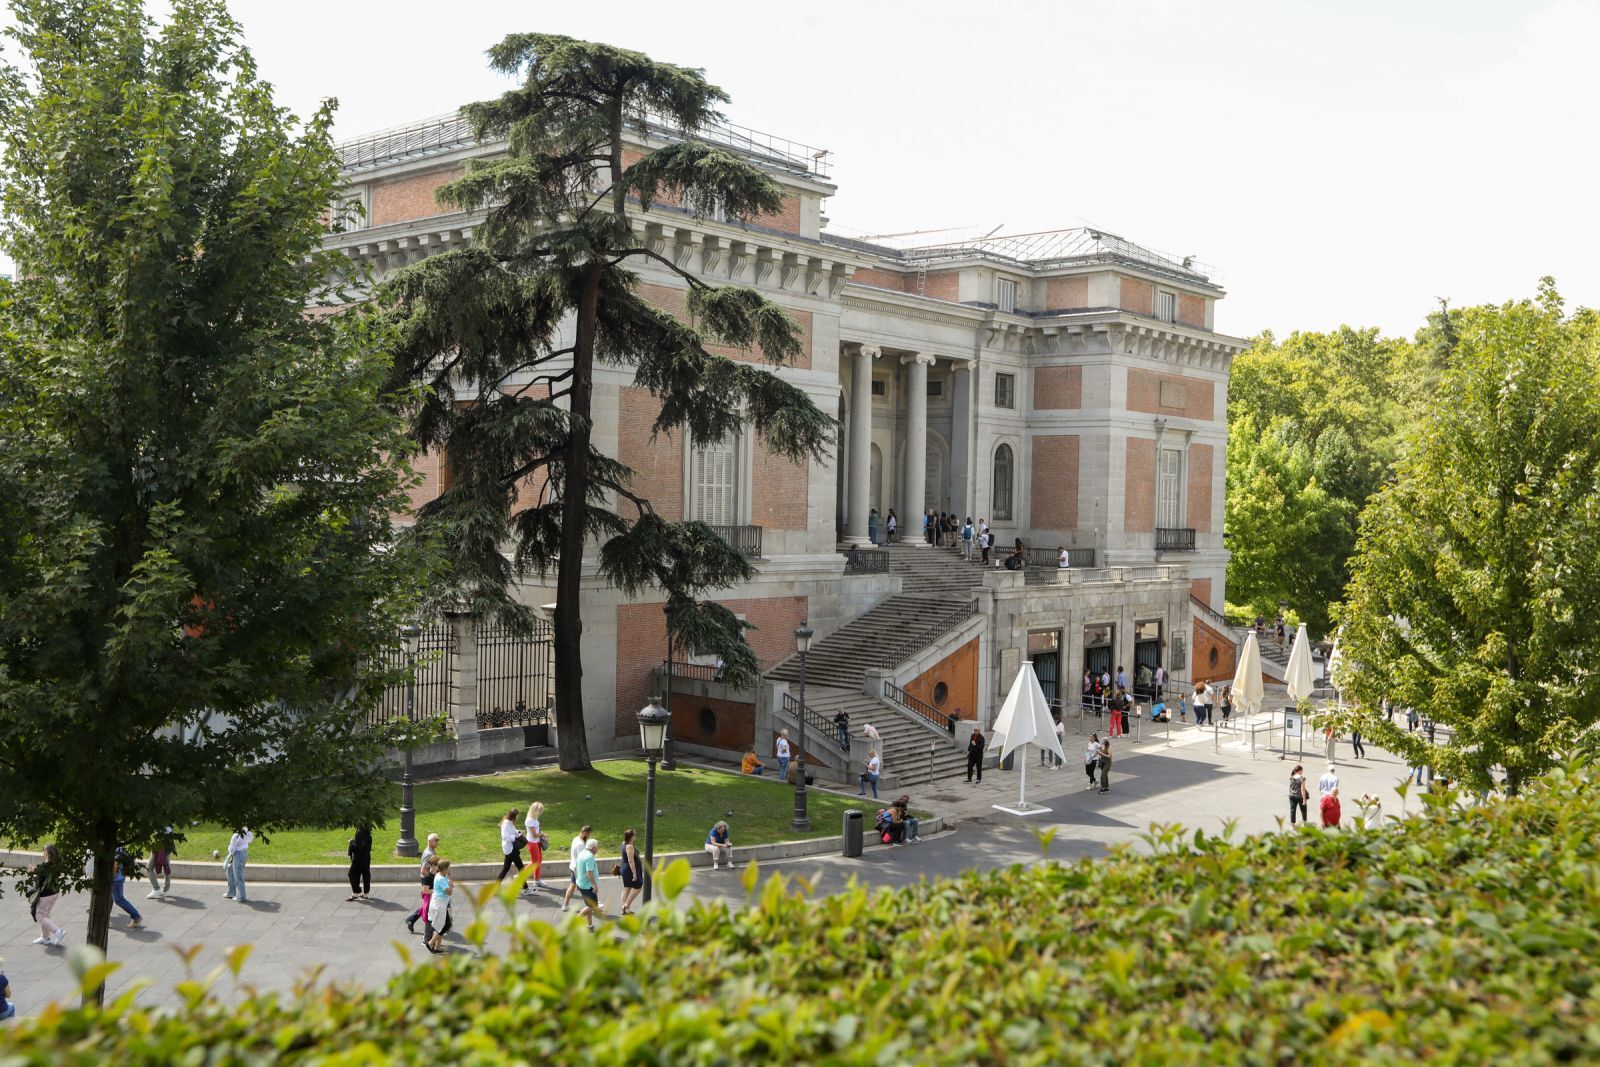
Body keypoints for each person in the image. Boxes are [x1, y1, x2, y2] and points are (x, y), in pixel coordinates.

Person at [28, 844, 65, 946]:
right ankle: (45, 938)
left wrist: (33, 870)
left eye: (44, 851)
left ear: (47, 853)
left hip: (46, 894)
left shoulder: (46, 865)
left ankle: (58, 931)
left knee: (39, 915)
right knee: (45, 915)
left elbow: (40, 876)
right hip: (54, 893)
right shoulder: (56, 864)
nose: (43, 853)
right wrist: (36, 869)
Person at [405, 833, 441, 932]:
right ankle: (413, 921)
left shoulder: (431, 851)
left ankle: (411, 920)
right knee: (428, 904)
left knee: (427, 903)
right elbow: (423, 870)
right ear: (429, 842)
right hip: (428, 881)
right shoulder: (429, 853)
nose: (438, 842)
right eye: (436, 840)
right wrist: (431, 880)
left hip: (429, 880)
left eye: (438, 840)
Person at [560, 825, 593, 911]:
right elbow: (581, 860)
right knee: (585, 887)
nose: (589, 837)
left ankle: (565, 905)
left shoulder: (576, 839)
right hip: (577, 869)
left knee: (572, 886)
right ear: (585, 833)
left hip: (573, 866)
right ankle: (590, 906)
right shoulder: (580, 844)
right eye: (588, 835)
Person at [425, 859, 453, 954]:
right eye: (449, 867)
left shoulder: (439, 875)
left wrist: (449, 881)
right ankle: (430, 943)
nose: (450, 869)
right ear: (445, 869)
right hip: (439, 906)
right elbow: (449, 891)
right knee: (445, 926)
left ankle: (436, 947)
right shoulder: (441, 879)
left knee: (440, 926)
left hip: (438, 904)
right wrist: (450, 883)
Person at [575, 838, 602, 931]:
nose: (597, 849)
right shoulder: (590, 857)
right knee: (592, 906)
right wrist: (594, 885)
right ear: (593, 847)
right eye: (597, 847)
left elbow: (576, 868)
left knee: (588, 906)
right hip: (588, 886)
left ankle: (590, 925)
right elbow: (589, 872)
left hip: (581, 884)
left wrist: (577, 882)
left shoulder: (581, 853)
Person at [110, 849, 141, 929]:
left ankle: (136, 916)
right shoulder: (119, 847)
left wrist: (111, 877)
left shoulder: (115, 847)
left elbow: (115, 864)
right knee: (109, 899)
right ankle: (103, 919)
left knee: (119, 899)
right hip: (120, 876)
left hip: (116, 879)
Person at [147, 825, 180, 900]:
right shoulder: (168, 819)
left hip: (161, 845)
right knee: (166, 866)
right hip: (168, 845)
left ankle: (156, 890)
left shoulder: (161, 819)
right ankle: (166, 890)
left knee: (149, 868)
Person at [496, 808, 526, 884]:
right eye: (517, 816)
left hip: (509, 849)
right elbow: (504, 836)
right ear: (514, 816)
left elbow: (513, 831)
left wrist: (519, 832)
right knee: (521, 867)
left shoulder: (509, 823)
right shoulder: (506, 824)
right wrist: (515, 837)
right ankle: (525, 888)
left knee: (505, 869)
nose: (517, 818)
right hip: (510, 849)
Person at [525, 803, 551, 890]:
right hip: (532, 843)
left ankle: (537, 880)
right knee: (534, 862)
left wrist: (541, 834)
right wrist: (542, 834)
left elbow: (537, 831)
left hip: (536, 842)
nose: (540, 813)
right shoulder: (530, 820)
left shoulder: (534, 818)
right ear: (535, 811)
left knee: (538, 861)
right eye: (540, 811)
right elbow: (535, 835)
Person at [618, 829, 644, 915]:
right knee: (638, 886)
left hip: (624, 868)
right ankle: (626, 905)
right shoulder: (629, 846)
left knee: (627, 887)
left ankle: (625, 910)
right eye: (635, 835)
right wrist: (634, 873)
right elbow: (631, 861)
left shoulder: (623, 843)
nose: (636, 836)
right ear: (632, 837)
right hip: (629, 869)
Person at [224, 826, 252, 903]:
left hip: (237, 855)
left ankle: (241, 897)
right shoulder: (247, 831)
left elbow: (231, 849)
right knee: (230, 870)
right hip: (244, 853)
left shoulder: (235, 836)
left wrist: (230, 855)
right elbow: (250, 839)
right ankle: (231, 892)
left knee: (238, 875)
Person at [346, 824, 372, 901]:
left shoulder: (359, 832)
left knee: (351, 874)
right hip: (366, 857)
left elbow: (359, 846)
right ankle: (366, 893)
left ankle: (356, 891)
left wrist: (351, 843)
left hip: (358, 858)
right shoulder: (368, 833)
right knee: (365, 874)